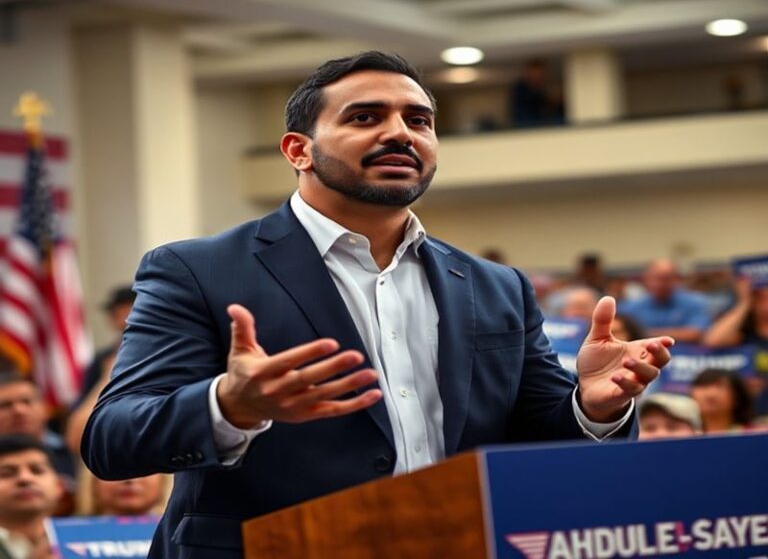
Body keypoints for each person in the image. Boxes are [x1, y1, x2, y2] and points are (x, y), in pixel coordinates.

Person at [82, 52, 673, 559]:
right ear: (298, 150)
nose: (401, 133)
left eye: (419, 120)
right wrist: (228, 406)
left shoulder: (495, 285)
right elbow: (112, 439)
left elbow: (537, 442)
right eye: (365, 117)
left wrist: (593, 409)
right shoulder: (199, 270)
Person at [0, 373, 74, 510]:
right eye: (5, 405)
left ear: (45, 409)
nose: (18, 410)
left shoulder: (77, 453)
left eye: (26, 402)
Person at [0, 435, 62, 559]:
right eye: (7, 473)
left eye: (37, 470)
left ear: (59, 486)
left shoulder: (87, 539)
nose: (25, 479)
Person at [620, 258, 711, 343]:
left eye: (666, 279)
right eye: (656, 278)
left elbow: (696, 333)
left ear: (677, 279)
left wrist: (644, 334)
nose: (661, 284)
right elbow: (622, 335)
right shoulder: (629, 307)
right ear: (646, 279)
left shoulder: (695, 303)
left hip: (687, 357)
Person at [689, 368, 753, 433]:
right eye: (704, 386)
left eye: (719, 386)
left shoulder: (753, 434)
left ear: (737, 397)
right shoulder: (684, 436)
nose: (711, 394)